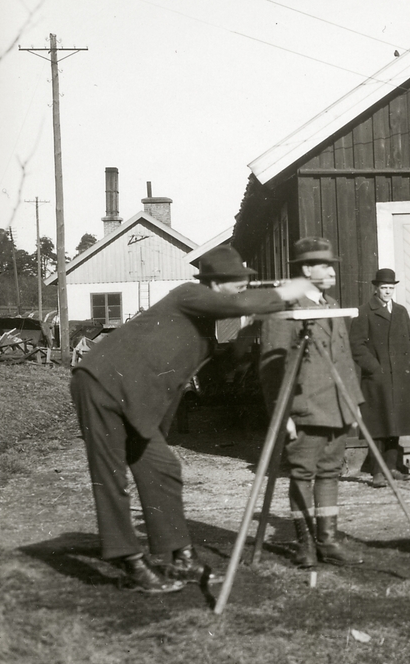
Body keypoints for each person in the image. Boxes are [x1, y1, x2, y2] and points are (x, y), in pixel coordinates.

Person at [70, 245, 313, 593]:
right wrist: (287, 291)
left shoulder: (205, 323)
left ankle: (181, 558)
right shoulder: (188, 293)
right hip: (99, 382)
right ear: (215, 282)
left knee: (163, 468)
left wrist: (249, 338)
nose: (244, 286)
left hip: (134, 400)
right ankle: (130, 562)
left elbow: (208, 369)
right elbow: (238, 306)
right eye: (238, 281)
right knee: (110, 476)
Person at [259, 237, 366, 569]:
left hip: (337, 407)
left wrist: (353, 403)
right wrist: (282, 415)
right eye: (325, 266)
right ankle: (305, 543)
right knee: (303, 474)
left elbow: (344, 359)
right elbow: (271, 368)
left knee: (330, 472)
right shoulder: (286, 308)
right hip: (304, 409)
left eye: (332, 266)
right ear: (306, 269)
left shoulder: (332, 305)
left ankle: (328, 540)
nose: (332, 272)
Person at [350, 267, 410, 488]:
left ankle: (392, 467)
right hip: (377, 380)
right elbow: (356, 346)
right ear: (376, 289)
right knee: (378, 426)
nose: (387, 291)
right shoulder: (364, 312)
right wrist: (375, 368)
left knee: (395, 424)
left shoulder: (401, 311)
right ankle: (377, 471)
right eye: (384, 288)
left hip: (400, 378)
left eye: (390, 287)